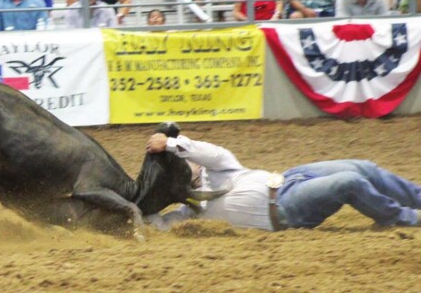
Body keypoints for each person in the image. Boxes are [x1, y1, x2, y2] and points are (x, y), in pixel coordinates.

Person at [145, 122, 421, 231]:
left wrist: (169, 143)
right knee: (349, 182)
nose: (188, 162)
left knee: (365, 168)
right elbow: (153, 223)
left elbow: (200, 149)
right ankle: (401, 218)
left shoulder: (217, 164)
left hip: (290, 178)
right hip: (286, 209)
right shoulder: (188, 213)